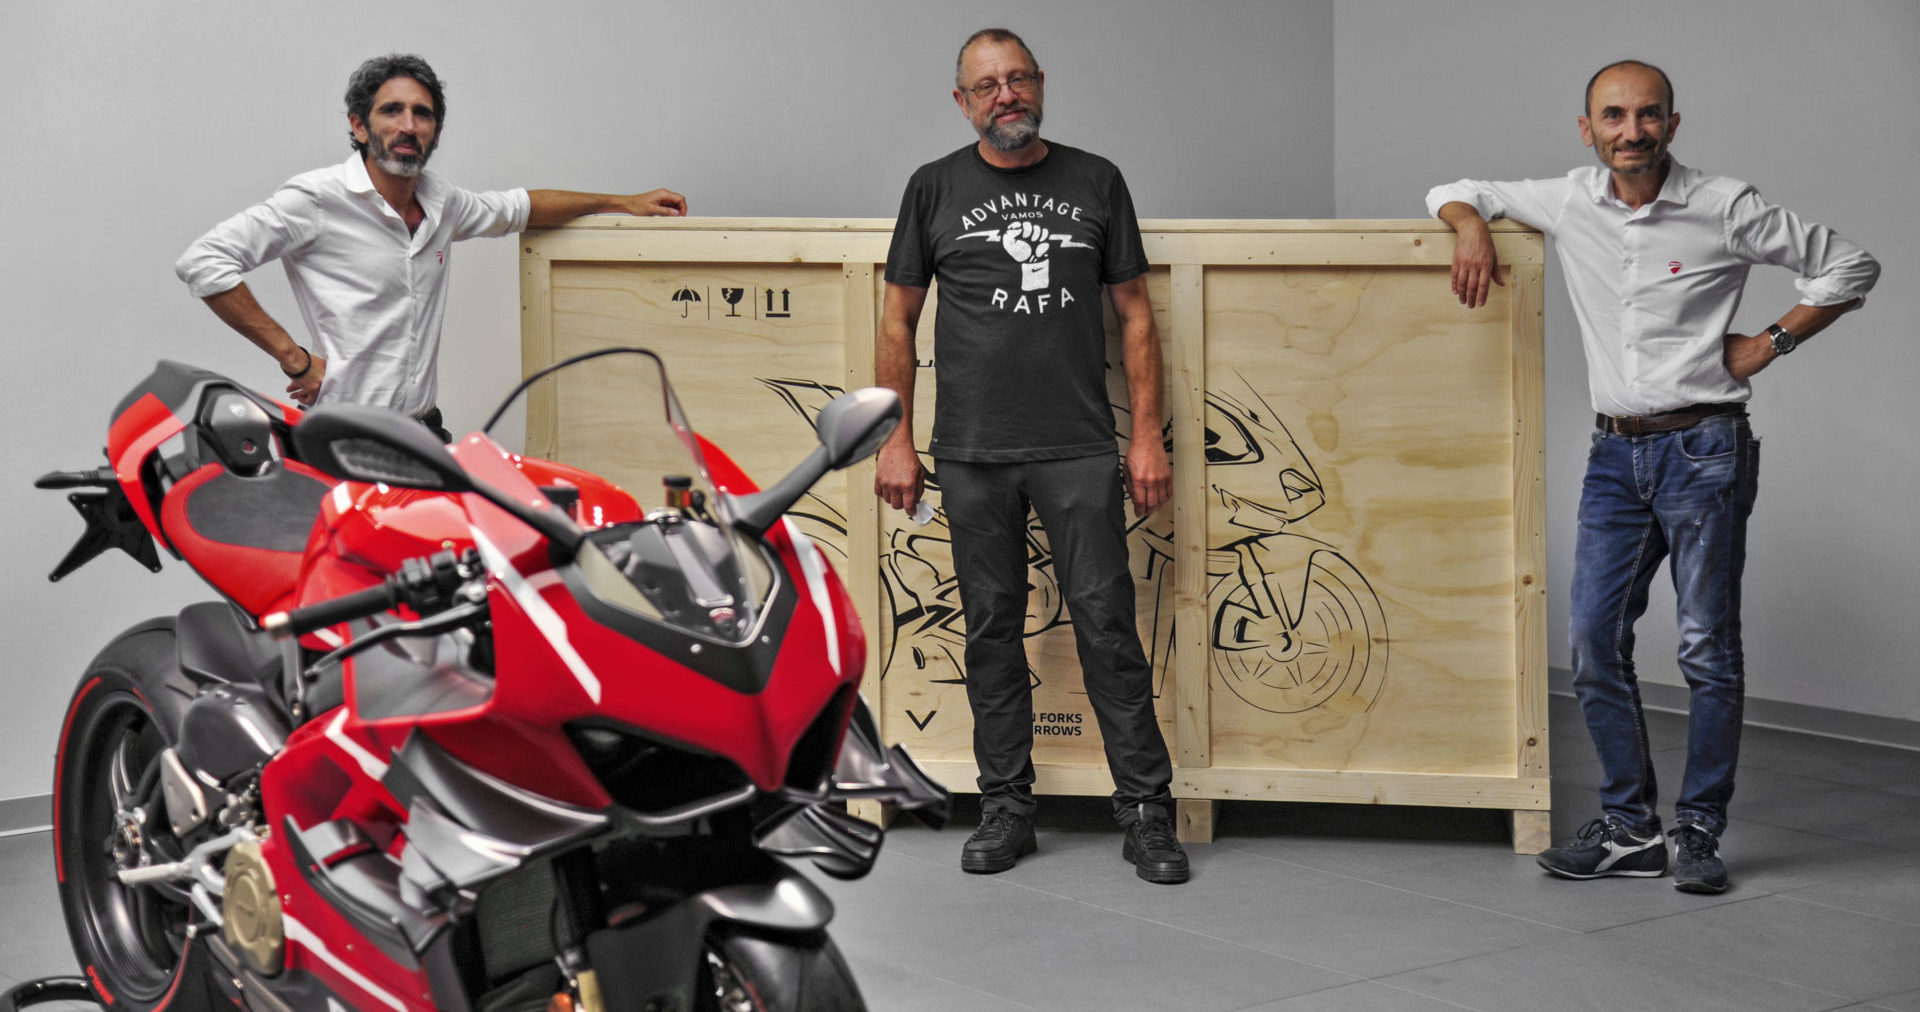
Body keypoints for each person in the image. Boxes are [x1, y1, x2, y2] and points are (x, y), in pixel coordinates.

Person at [1429, 60, 1878, 893]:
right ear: (1587, 127)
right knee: (1593, 641)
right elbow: (1453, 188)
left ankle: (1698, 833)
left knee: (1707, 647)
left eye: (1647, 116)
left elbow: (1849, 266)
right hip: (1612, 456)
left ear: (1673, 123)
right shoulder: (1568, 199)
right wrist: (1468, 224)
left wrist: (1768, 343)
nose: (1629, 131)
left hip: (1705, 449)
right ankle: (1630, 831)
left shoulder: (1724, 206)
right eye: (1613, 116)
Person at [875, 28, 1186, 884]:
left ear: (1040, 84)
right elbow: (897, 320)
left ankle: (1147, 815)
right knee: (990, 634)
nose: (1004, 95)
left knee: (1107, 628)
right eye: (986, 85)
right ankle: (1006, 809)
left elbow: (1135, 317)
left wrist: (1146, 433)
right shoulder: (932, 187)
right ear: (963, 101)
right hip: (971, 453)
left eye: (1017, 80)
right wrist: (895, 439)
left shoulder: (1097, 180)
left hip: (1079, 448)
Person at [176, 53, 687, 439]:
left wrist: (622, 202)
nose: (408, 126)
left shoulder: (442, 203)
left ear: (435, 133)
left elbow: (522, 206)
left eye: (422, 114)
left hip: (425, 433)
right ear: (359, 126)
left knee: (445, 572)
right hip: (344, 438)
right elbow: (204, 261)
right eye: (392, 110)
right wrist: (293, 357)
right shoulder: (317, 199)